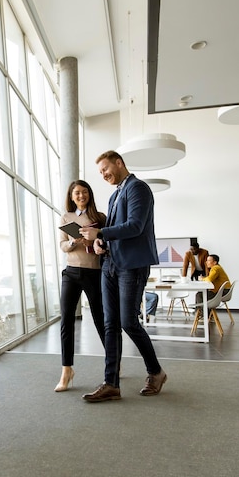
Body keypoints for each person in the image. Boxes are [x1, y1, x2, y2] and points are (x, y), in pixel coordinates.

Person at [79, 150, 167, 402]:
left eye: (106, 168)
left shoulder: (138, 188)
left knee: (128, 322)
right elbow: (113, 234)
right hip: (110, 264)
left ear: (119, 163)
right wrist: (100, 243)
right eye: (100, 172)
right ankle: (111, 383)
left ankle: (156, 372)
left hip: (131, 265)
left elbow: (135, 226)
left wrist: (101, 233)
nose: (104, 174)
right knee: (110, 324)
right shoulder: (114, 195)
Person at [55, 180, 106, 392]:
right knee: (66, 320)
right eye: (77, 193)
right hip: (71, 273)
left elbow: (107, 244)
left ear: (89, 194)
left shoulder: (100, 217)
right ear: (71, 195)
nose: (81, 195)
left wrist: (92, 242)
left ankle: (114, 361)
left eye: (84, 192)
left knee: (101, 320)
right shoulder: (66, 217)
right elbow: (63, 246)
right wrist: (75, 242)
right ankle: (66, 370)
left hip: (94, 273)